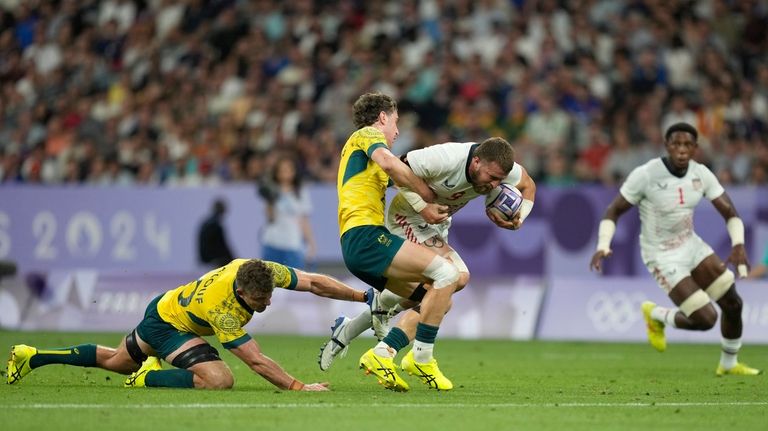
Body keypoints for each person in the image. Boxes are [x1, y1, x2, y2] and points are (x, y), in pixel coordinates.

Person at [319, 138, 536, 374]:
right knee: (457, 277)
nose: (495, 185)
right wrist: (424, 207)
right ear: (475, 162)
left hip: (436, 227)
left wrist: (519, 219)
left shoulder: (500, 168)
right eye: (492, 177)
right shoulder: (446, 157)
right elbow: (398, 172)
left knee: (434, 298)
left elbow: (528, 185)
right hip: (409, 217)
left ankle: (355, 325)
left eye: (500, 180)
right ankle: (393, 350)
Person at [7, 258, 374, 390]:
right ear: (243, 294)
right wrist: (297, 386)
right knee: (219, 380)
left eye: (269, 296)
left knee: (116, 361)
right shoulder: (223, 308)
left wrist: (362, 297)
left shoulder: (261, 270)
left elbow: (313, 281)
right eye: (261, 301)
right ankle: (149, 377)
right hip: (168, 325)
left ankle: (32, 356)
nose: (268, 303)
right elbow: (256, 360)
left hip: (166, 308)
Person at [589, 122, 761, 376]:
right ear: (667, 145)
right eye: (676, 144)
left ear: (695, 148)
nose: (681, 150)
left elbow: (730, 212)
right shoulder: (646, 174)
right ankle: (657, 315)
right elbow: (613, 211)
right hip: (661, 254)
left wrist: (738, 245)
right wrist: (603, 244)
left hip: (691, 245)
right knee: (706, 318)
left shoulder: (700, 174)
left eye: (687, 145)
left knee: (733, 304)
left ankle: (729, 363)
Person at [258, 155, 316, 269]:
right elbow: (270, 218)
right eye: (282, 170)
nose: (285, 173)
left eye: (288, 169)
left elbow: (304, 221)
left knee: (294, 281)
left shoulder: (300, 192)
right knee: (269, 281)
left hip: (292, 242)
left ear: (294, 172)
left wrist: (311, 243)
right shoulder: (272, 190)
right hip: (272, 242)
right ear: (277, 172)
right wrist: (270, 200)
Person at [197, 198, 235, 268]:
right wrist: (234, 259)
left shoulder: (207, 223)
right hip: (213, 258)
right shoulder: (215, 225)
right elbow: (222, 245)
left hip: (206, 257)